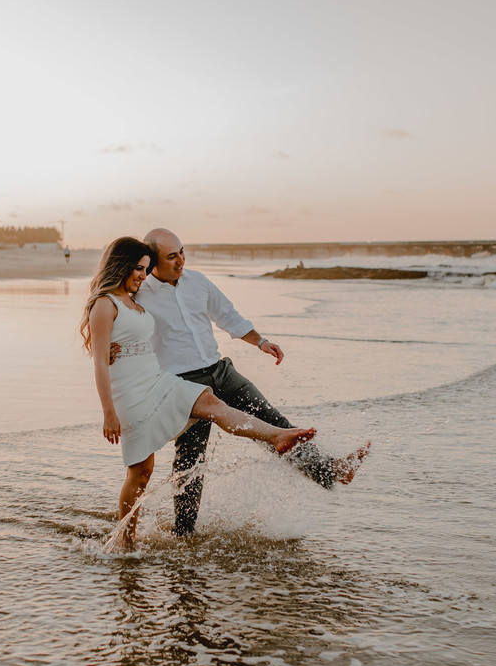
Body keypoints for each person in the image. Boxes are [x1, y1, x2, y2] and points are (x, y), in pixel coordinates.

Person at [81, 237, 317, 550]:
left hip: (161, 381)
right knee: (141, 472)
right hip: (133, 392)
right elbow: (99, 360)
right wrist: (108, 413)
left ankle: (278, 437)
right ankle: (126, 542)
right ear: (121, 266)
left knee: (210, 402)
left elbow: (142, 335)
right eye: (138, 268)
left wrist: (260, 341)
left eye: (145, 269)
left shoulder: (136, 297)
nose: (142, 275)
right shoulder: (107, 302)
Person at [134, 228, 371, 536]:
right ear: (153, 261)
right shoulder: (139, 294)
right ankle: (184, 532)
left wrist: (261, 342)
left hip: (220, 371)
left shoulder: (197, 282)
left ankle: (330, 470)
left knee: (276, 425)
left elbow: (227, 315)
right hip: (184, 386)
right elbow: (115, 319)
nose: (181, 260)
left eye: (182, 252)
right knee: (191, 458)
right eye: (171, 256)